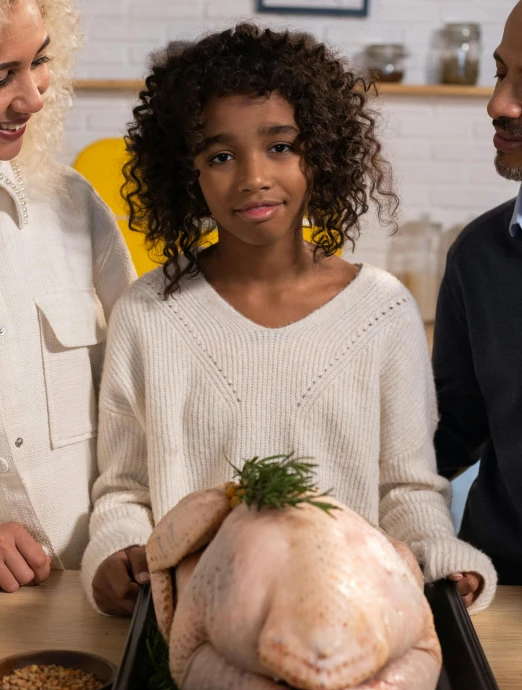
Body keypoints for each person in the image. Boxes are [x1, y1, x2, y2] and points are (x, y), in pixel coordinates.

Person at [82, 24, 496, 617]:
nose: (254, 176)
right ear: (187, 173)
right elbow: (124, 490)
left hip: (351, 619)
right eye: (220, 156)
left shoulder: (382, 310)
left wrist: (439, 557)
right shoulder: (147, 315)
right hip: (196, 623)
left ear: (321, 152)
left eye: (281, 145)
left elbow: (406, 491)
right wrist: (114, 554)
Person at [0, 0, 136, 593]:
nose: (32, 97)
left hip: (88, 595)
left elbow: (137, 409)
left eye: (41, 61)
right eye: (2, 74)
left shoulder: (73, 208)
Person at [433, 1, 522, 585]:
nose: (498, 105)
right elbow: (448, 433)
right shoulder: (479, 253)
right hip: (498, 588)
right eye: (501, 73)